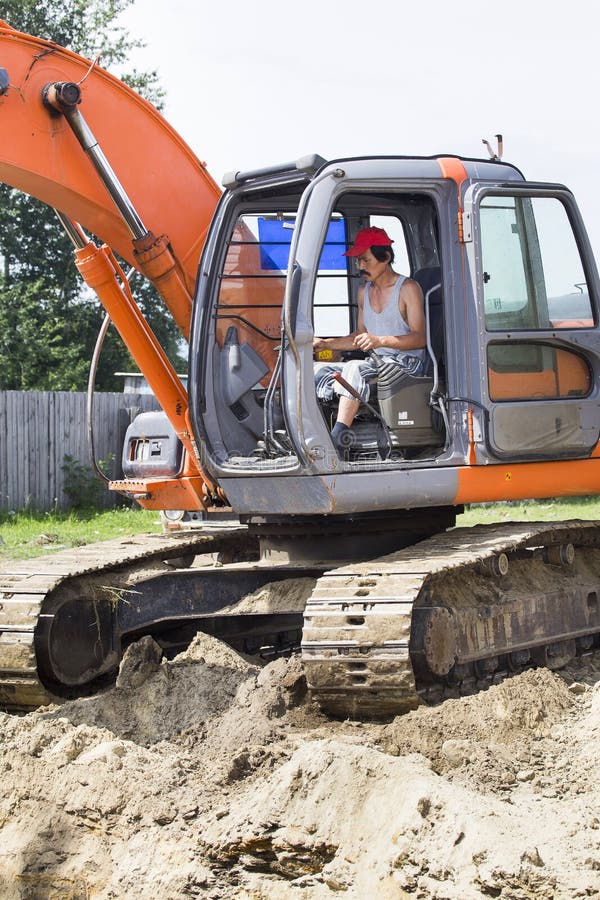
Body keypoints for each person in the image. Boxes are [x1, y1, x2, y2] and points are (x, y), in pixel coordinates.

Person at [313, 226, 427, 452]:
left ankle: (338, 438)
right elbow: (359, 337)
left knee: (354, 368)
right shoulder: (364, 292)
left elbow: (419, 339)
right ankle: (316, 429)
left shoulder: (408, 289)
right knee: (317, 369)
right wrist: (325, 344)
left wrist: (380, 341)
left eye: (365, 260)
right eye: (358, 261)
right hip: (377, 361)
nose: (360, 266)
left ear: (384, 257)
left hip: (406, 364)